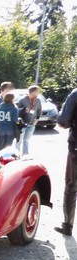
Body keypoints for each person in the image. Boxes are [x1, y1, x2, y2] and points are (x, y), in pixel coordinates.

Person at [54, 88, 77, 236]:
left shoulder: (75, 94)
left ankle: (67, 226)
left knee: (71, 187)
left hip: (76, 148)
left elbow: (63, 121)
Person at [15, 85, 42, 156]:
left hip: (31, 124)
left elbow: (39, 111)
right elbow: (16, 112)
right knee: (19, 141)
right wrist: (23, 110)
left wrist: (37, 119)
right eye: (37, 91)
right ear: (33, 92)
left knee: (26, 141)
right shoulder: (22, 100)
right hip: (22, 124)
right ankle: (16, 156)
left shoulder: (38, 101)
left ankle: (25, 156)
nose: (39, 92)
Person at [0, 93, 18, 162]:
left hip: (1, 129)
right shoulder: (14, 108)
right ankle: (5, 158)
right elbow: (15, 120)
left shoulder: (0, 107)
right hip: (10, 129)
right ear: (11, 99)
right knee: (7, 146)